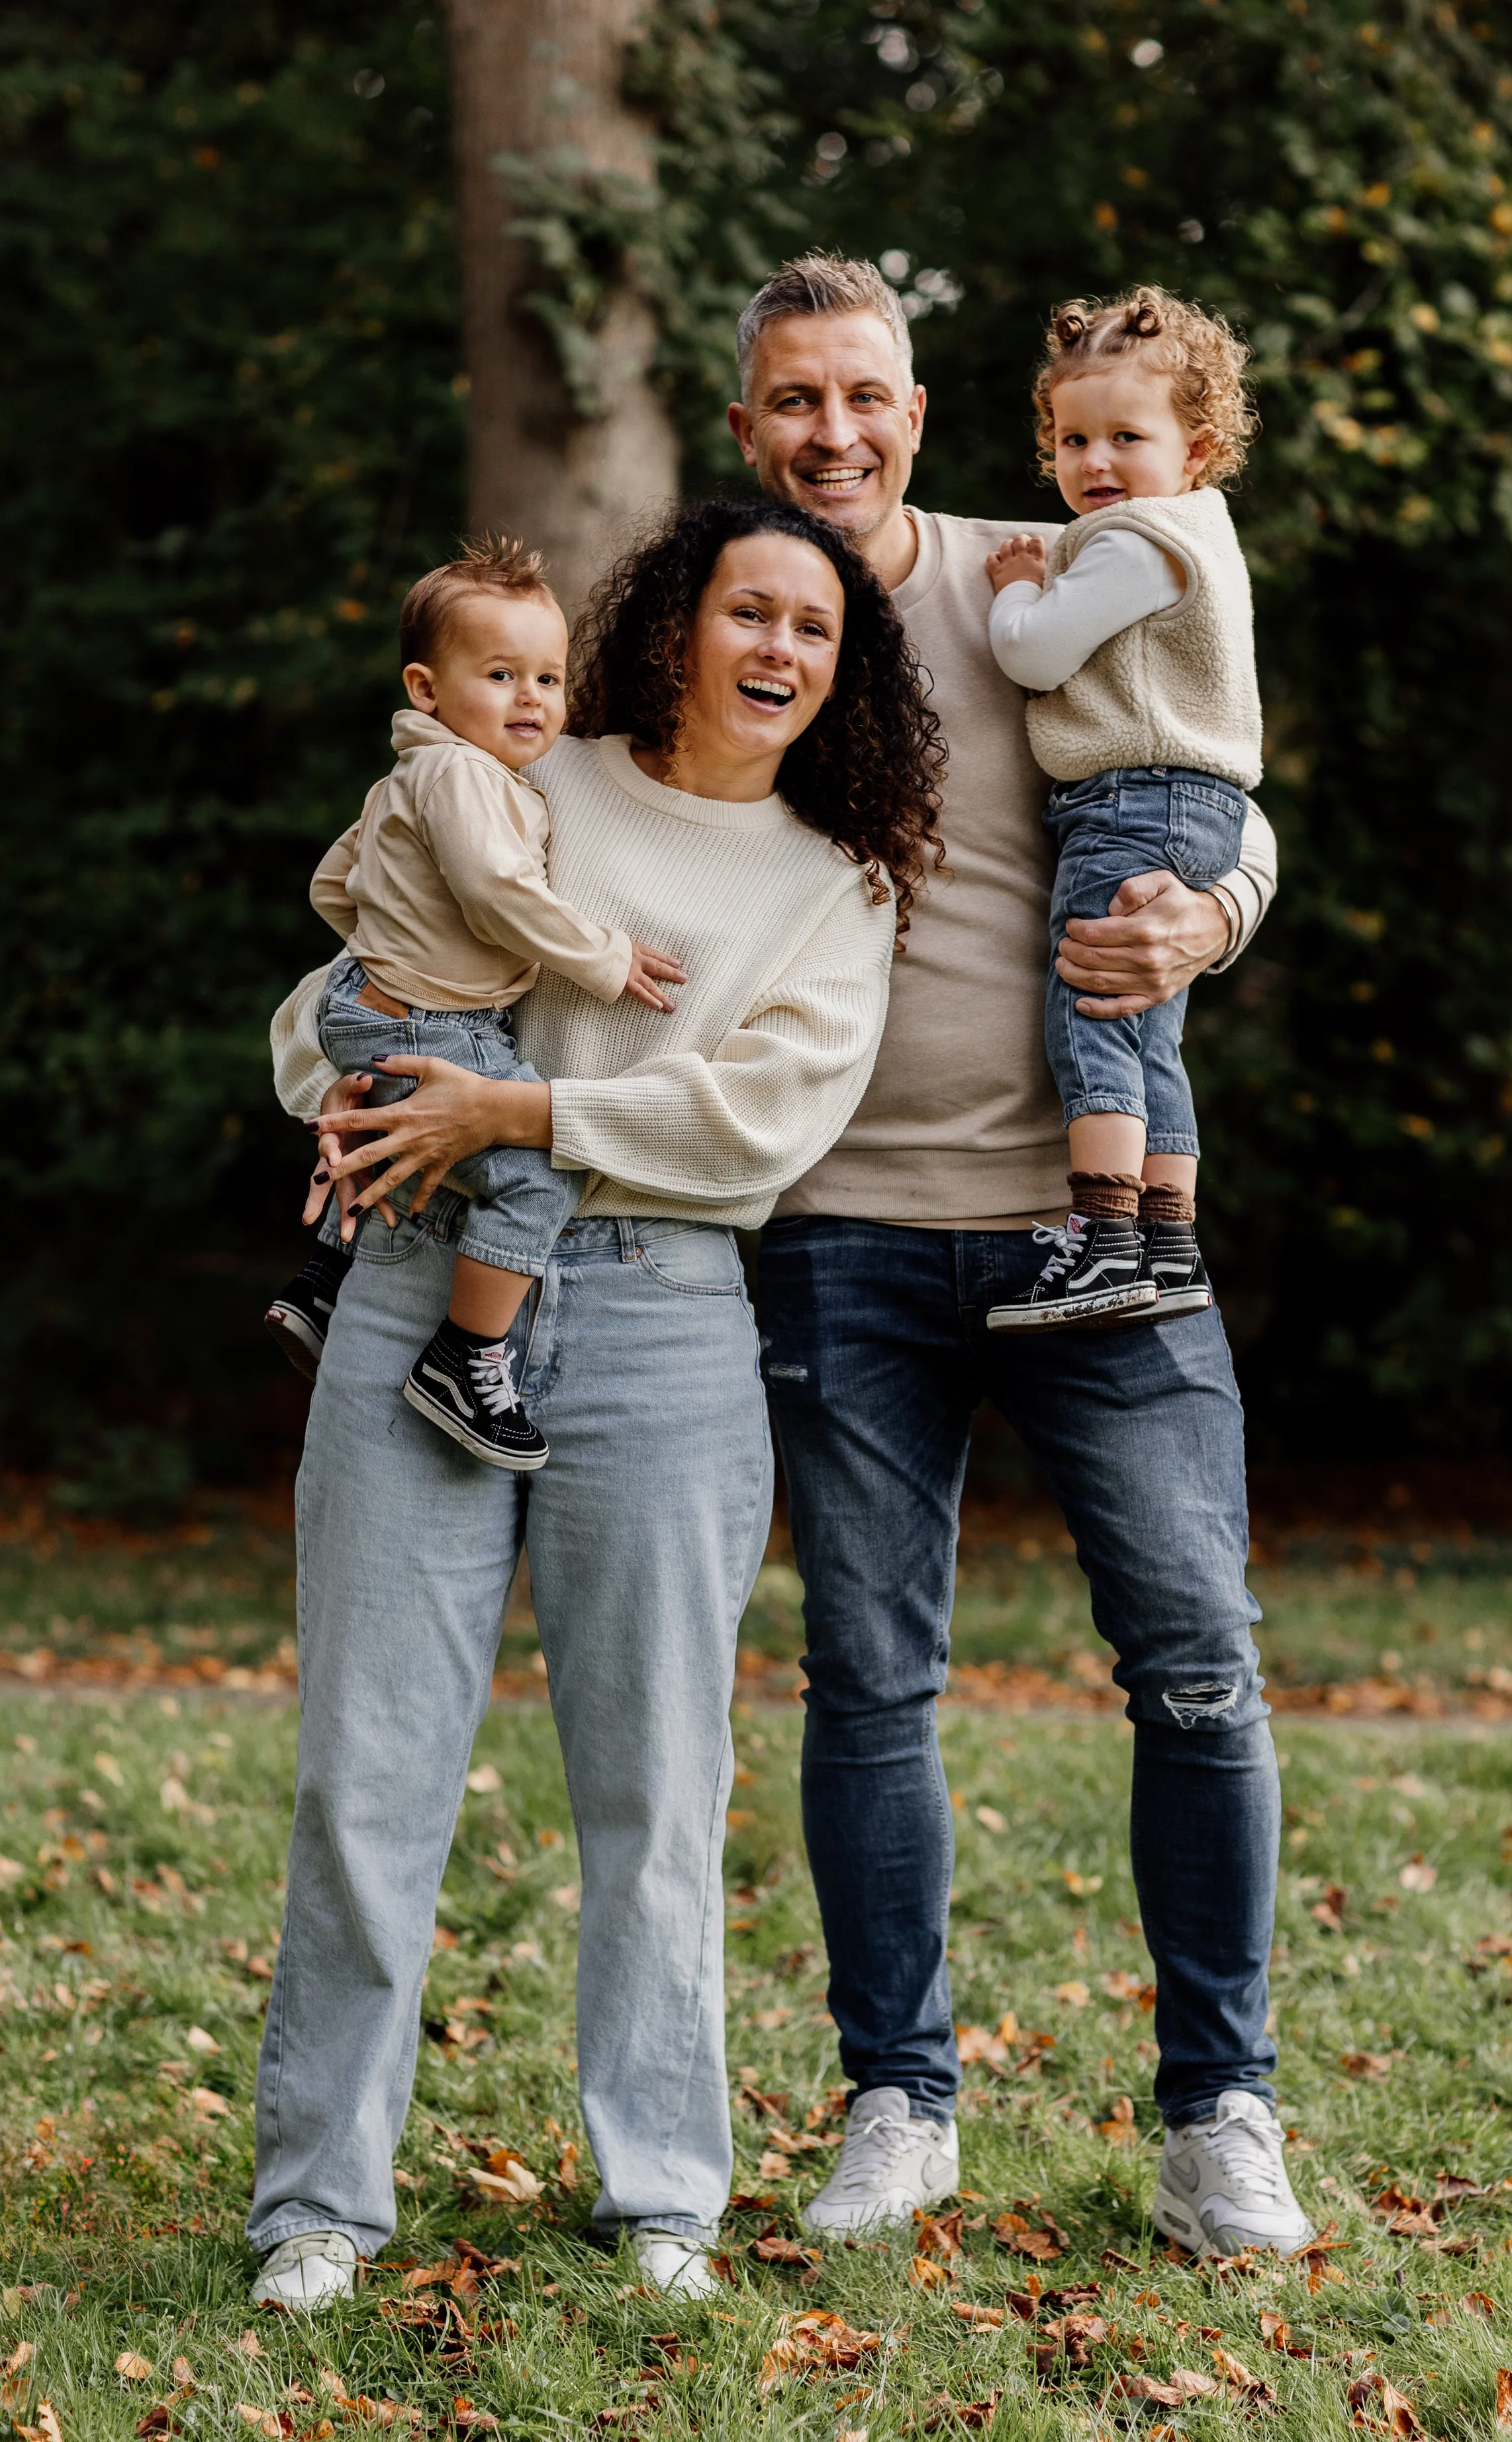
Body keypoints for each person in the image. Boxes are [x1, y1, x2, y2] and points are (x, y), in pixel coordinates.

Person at [246, 493, 942, 2310]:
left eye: (817, 626)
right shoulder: (533, 759)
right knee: (365, 1768)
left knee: (651, 1782)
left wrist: (519, 1113)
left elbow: (760, 1119)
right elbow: (351, 955)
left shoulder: (834, 879)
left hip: (663, 1321)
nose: (780, 647)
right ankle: (320, 2196)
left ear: (842, 666)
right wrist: (342, 1073)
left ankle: (661, 2194)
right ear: (680, 625)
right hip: (420, 1286)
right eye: (749, 611)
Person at [726, 254, 1315, 2259]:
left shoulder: (1047, 566)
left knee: (1197, 1665)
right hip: (839, 1233)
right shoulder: (733, 619)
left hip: (1100, 1225)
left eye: (863, 395)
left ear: (914, 407)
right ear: (751, 430)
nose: (833, 432)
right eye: (793, 401)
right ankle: (899, 2094)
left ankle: (1217, 2106)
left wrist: (1210, 919)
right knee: (866, 1678)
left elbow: (1227, 792)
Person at [264, 536, 688, 1471]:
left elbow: (337, 881)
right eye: (501, 674)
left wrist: (391, 942)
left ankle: (325, 1278)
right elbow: (498, 893)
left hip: (380, 997)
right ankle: (467, 1356)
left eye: (548, 674)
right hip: (425, 1017)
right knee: (542, 1171)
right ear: (426, 688)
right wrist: (603, 958)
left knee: (396, 1137)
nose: (533, 697)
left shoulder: (422, 773)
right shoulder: (461, 774)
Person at [982, 287, 1261, 1333]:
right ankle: (1172, 1243)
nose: (1095, 463)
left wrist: (1016, 586)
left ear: (1194, 449)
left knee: (1090, 1007)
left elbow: (1034, 650)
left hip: (1130, 799)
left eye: (1126, 438)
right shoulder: (1205, 537)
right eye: (1073, 438)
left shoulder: (1137, 540)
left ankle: (1102, 1238)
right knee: (1151, 1037)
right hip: (1201, 805)